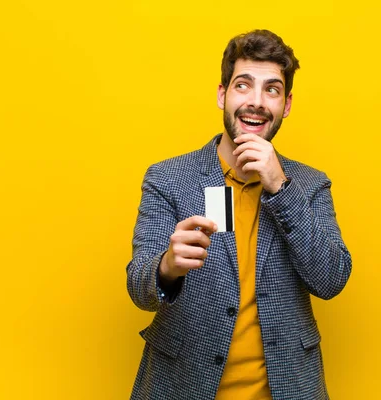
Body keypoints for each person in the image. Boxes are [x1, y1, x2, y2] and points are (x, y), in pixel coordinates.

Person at [127, 29, 352, 400]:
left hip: (288, 388)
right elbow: (139, 287)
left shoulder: (310, 184)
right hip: (183, 386)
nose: (257, 102)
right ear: (222, 94)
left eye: (272, 90)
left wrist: (281, 186)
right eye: (243, 85)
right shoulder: (167, 178)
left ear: (287, 104)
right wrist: (167, 267)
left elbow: (331, 280)